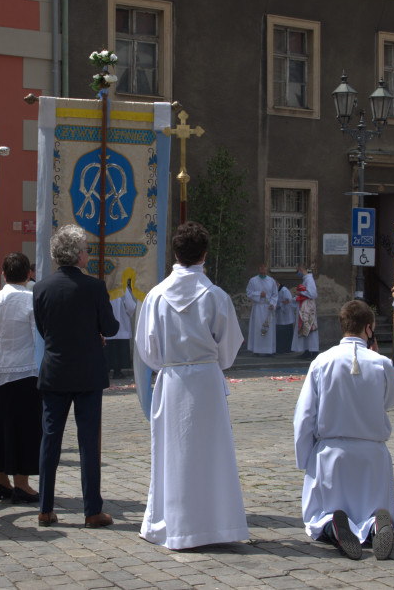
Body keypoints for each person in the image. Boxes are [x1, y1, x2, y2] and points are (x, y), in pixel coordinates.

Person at [134, 221, 249, 550]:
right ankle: (216, 526)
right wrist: (206, 362)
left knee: (173, 454)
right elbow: (228, 351)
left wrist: (171, 364)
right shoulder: (216, 297)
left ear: (174, 253)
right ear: (204, 254)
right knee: (211, 454)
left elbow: (147, 350)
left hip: (171, 382)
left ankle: (173, 525)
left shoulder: (155, 297)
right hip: (207, 384)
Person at [293, 299, 394, 560]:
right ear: (369, 328)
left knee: (319, 516)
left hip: (333, 455)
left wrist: (305, 458)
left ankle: (332, 523)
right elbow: (390, 400)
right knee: (373, 507)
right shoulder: (381, 363)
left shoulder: (322, 361)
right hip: (372, 457)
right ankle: (376, 523)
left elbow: (304, 415)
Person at [32, 224, 119, 528]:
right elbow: (110, 328)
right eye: (86, 250)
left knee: (50, 440)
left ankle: (45, 507)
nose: (88, 254)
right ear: (77, 254)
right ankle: (91, 510)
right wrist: (95, 332)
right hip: (87, 373)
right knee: (88, 443)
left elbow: (43, 330)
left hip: (55, 370)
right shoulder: (94, 287)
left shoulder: (41, 288)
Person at [0, 252, 41, 506]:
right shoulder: (30, 300)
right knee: (24, 428)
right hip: (24, 369)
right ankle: (21, 483)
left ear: (4, 274)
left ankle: (1, 481)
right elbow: (37, 336)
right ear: (28, 274)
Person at [103, 282, 136, 378]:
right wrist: (128, 314)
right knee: (119, 349)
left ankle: (106, 371)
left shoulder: (101, 286)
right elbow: (130, 305)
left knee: (107, 349)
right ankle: (117, 371)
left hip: (105, 324)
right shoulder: (122, 287)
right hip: (121, 325)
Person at [246, 263, 278, 356]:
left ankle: (269, 351)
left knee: (269, 329)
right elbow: (249, 293)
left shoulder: (271, 281)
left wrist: (272, 304)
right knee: (257, 328)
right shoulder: (253, 280)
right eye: (261, 267)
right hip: (258, 308)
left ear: (267, 269)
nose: (263, 269)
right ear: (259, 269)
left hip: (268, 308)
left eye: (264, 267)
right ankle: (257, 350)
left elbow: (275, 295)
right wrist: (259, 294)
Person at [292, 266, 320, 359]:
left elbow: (313, 294)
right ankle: (307, 350)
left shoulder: (309, 280)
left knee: (310, 328)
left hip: (308, 308)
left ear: (301, 270)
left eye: (297, 271)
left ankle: (313, 350)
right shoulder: (306, 280)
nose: (297, 274)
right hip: (305, 307)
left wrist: (300, 293)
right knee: (305, 328)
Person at [275, 283, 296, 354]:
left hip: (286, 315)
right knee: (281, 333)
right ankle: (281, 348)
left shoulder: (284, 290)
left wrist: (280, 305)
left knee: (286, 333)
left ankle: (287, 348)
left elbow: (288, 302)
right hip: (280, 315)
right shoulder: (278, 291)